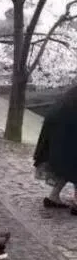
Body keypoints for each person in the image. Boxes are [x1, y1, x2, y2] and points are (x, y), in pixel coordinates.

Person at [34, 85, 77, 214]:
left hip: (57, 118)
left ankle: (53, 197)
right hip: (68, 122)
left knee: (65, 161)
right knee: (71, 159)